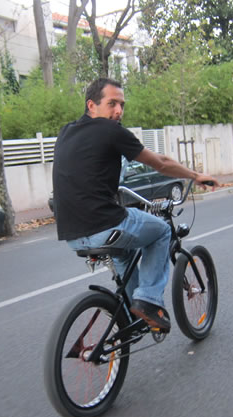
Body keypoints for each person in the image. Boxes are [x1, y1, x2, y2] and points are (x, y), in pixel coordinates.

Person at [53, 78, 219, 332]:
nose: (118, 111)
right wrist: (195, 176)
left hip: (72, 234)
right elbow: (161, 162)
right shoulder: (110, 131)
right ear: (92, 105)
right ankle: (149, 302)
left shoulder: (66, 132)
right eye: (112, 104)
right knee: (162, 231)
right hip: (104, 224)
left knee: (122, 251)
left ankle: (136, 316)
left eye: (121, 104)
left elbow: (84, 173)